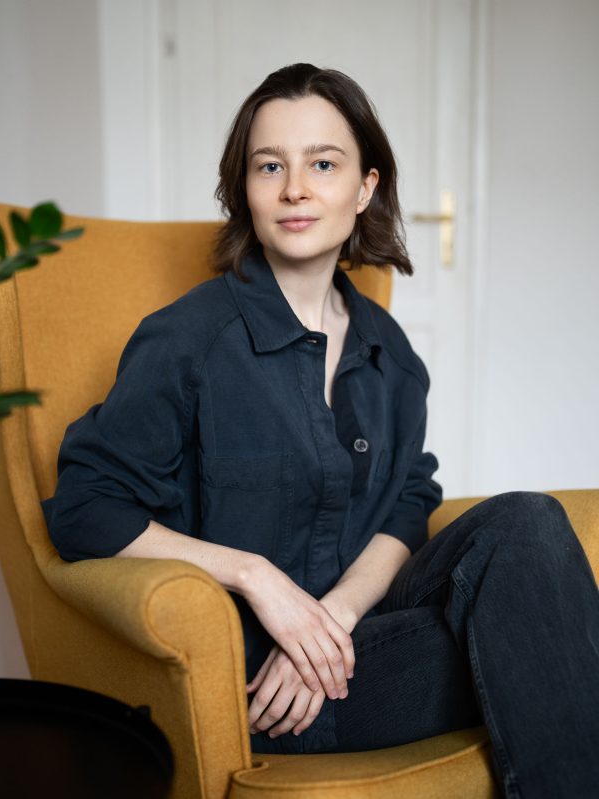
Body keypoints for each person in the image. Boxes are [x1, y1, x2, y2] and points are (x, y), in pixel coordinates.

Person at [41, 63, 599, 798]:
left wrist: (332, 617)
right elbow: (84, 507)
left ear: (365, 187)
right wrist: (257, 578)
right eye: (270, 165)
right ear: (244, 188)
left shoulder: (390, 352)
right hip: (261, 681)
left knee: (530, 522)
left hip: (357, 635)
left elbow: (408, 503)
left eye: (323, 164)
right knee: (545, 640)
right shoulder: (188, 339)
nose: (295, 188)